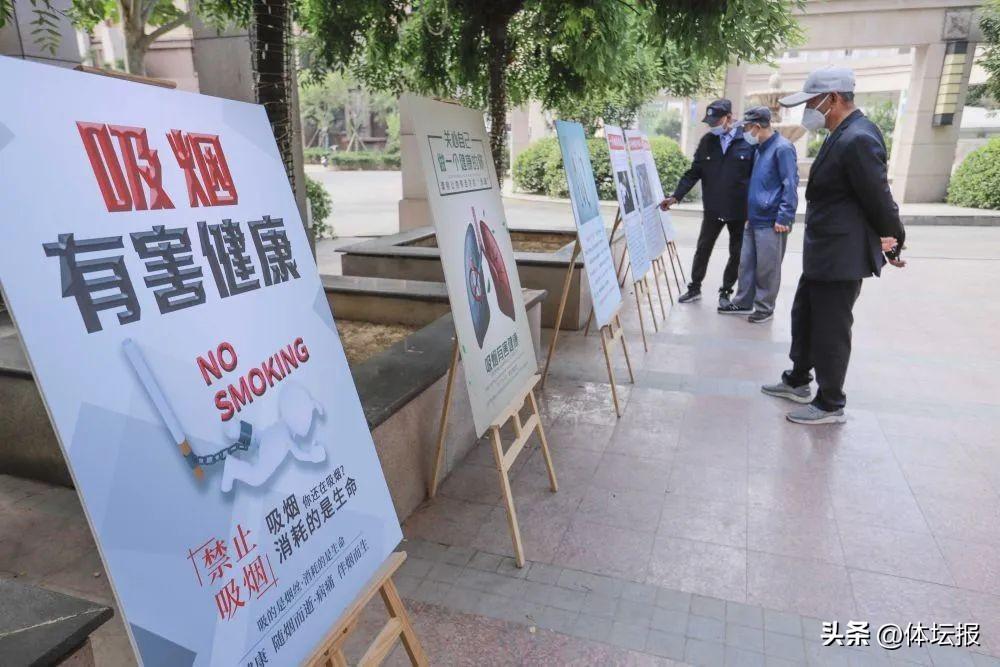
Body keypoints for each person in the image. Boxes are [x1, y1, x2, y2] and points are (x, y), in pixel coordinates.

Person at [761, 67, 906, 424]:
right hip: (824, 251)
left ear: (834, 98)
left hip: (841, 255)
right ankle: (798, 380)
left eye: (812, 102)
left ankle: (830, 403)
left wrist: (894, 240)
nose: (809, 109)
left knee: (831, 329)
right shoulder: (840, 131)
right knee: (805, 316)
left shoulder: (859, 137)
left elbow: (878, 197)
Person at [660, 99, 755, 307]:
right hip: (713, 208)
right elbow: (693, 172)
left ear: (729, 117)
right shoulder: (707, 142)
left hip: (740, 211)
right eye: (710, 122)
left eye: (716, 121)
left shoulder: (747, 141)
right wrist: (676, 196)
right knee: (703, 248)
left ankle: (726, 292)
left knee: (737, 253)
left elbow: (756, 177)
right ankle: (694, 288)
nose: (712, 126)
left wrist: (754, 210)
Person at [719, 106, 798, 323]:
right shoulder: (760, 149)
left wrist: (784, 216)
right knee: (746, 264)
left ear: (756, 126)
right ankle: (743, 302)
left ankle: (764, 308)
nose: (744, 132)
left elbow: (790, 184)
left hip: (772, 220)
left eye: (746, 127)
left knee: (767, 268)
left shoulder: (782, 148)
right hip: (754, 218)